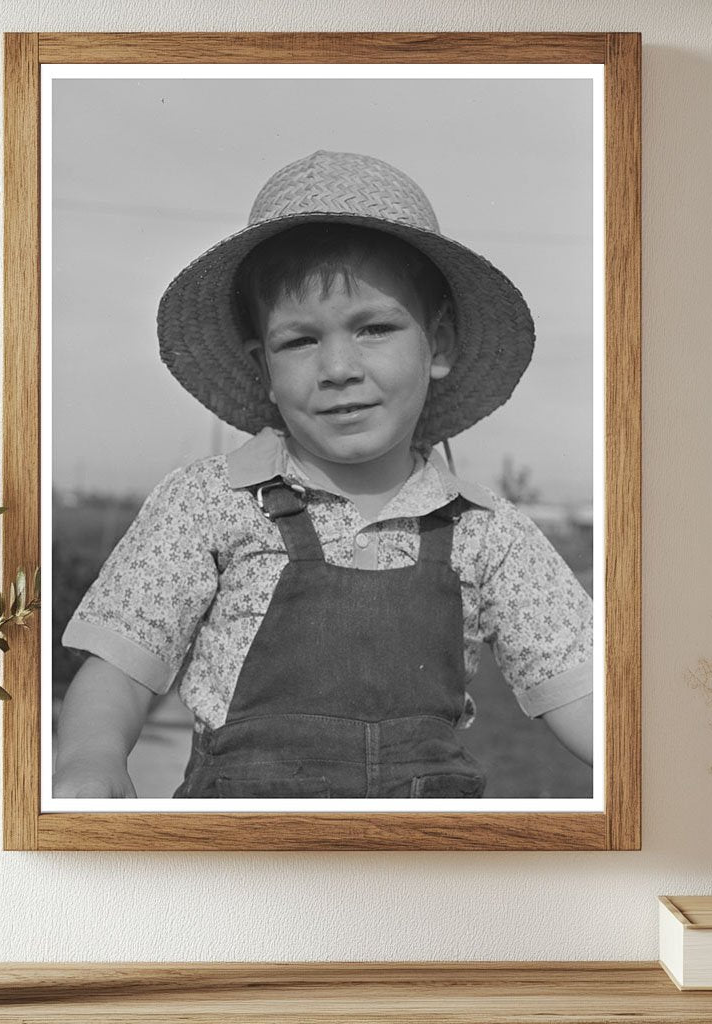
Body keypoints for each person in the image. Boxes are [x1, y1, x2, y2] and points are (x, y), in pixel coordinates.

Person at [53, 150, 593, 799]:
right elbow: (121, 666)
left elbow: (585, 691)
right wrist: (91, 760)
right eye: (300, 340)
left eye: (373, 328)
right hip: (240, 853)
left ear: (440, 347)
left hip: (419, 859)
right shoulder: (209, 502)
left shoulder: (487, 531)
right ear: (264, 368)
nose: (338, 366)